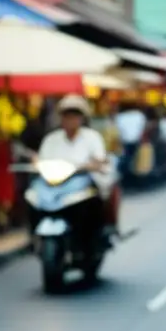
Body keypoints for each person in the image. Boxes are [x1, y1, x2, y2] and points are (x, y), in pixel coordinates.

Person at [38, 96, 119, 231]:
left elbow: (99, 160)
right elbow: (41, 160)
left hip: (82, 182)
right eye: (67, 116)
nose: (70, 120)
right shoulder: (51, 140)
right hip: (54, 184)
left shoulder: (92, 137)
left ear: (82, 118)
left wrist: (92, 165)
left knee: (95, 201)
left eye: (74, 115)